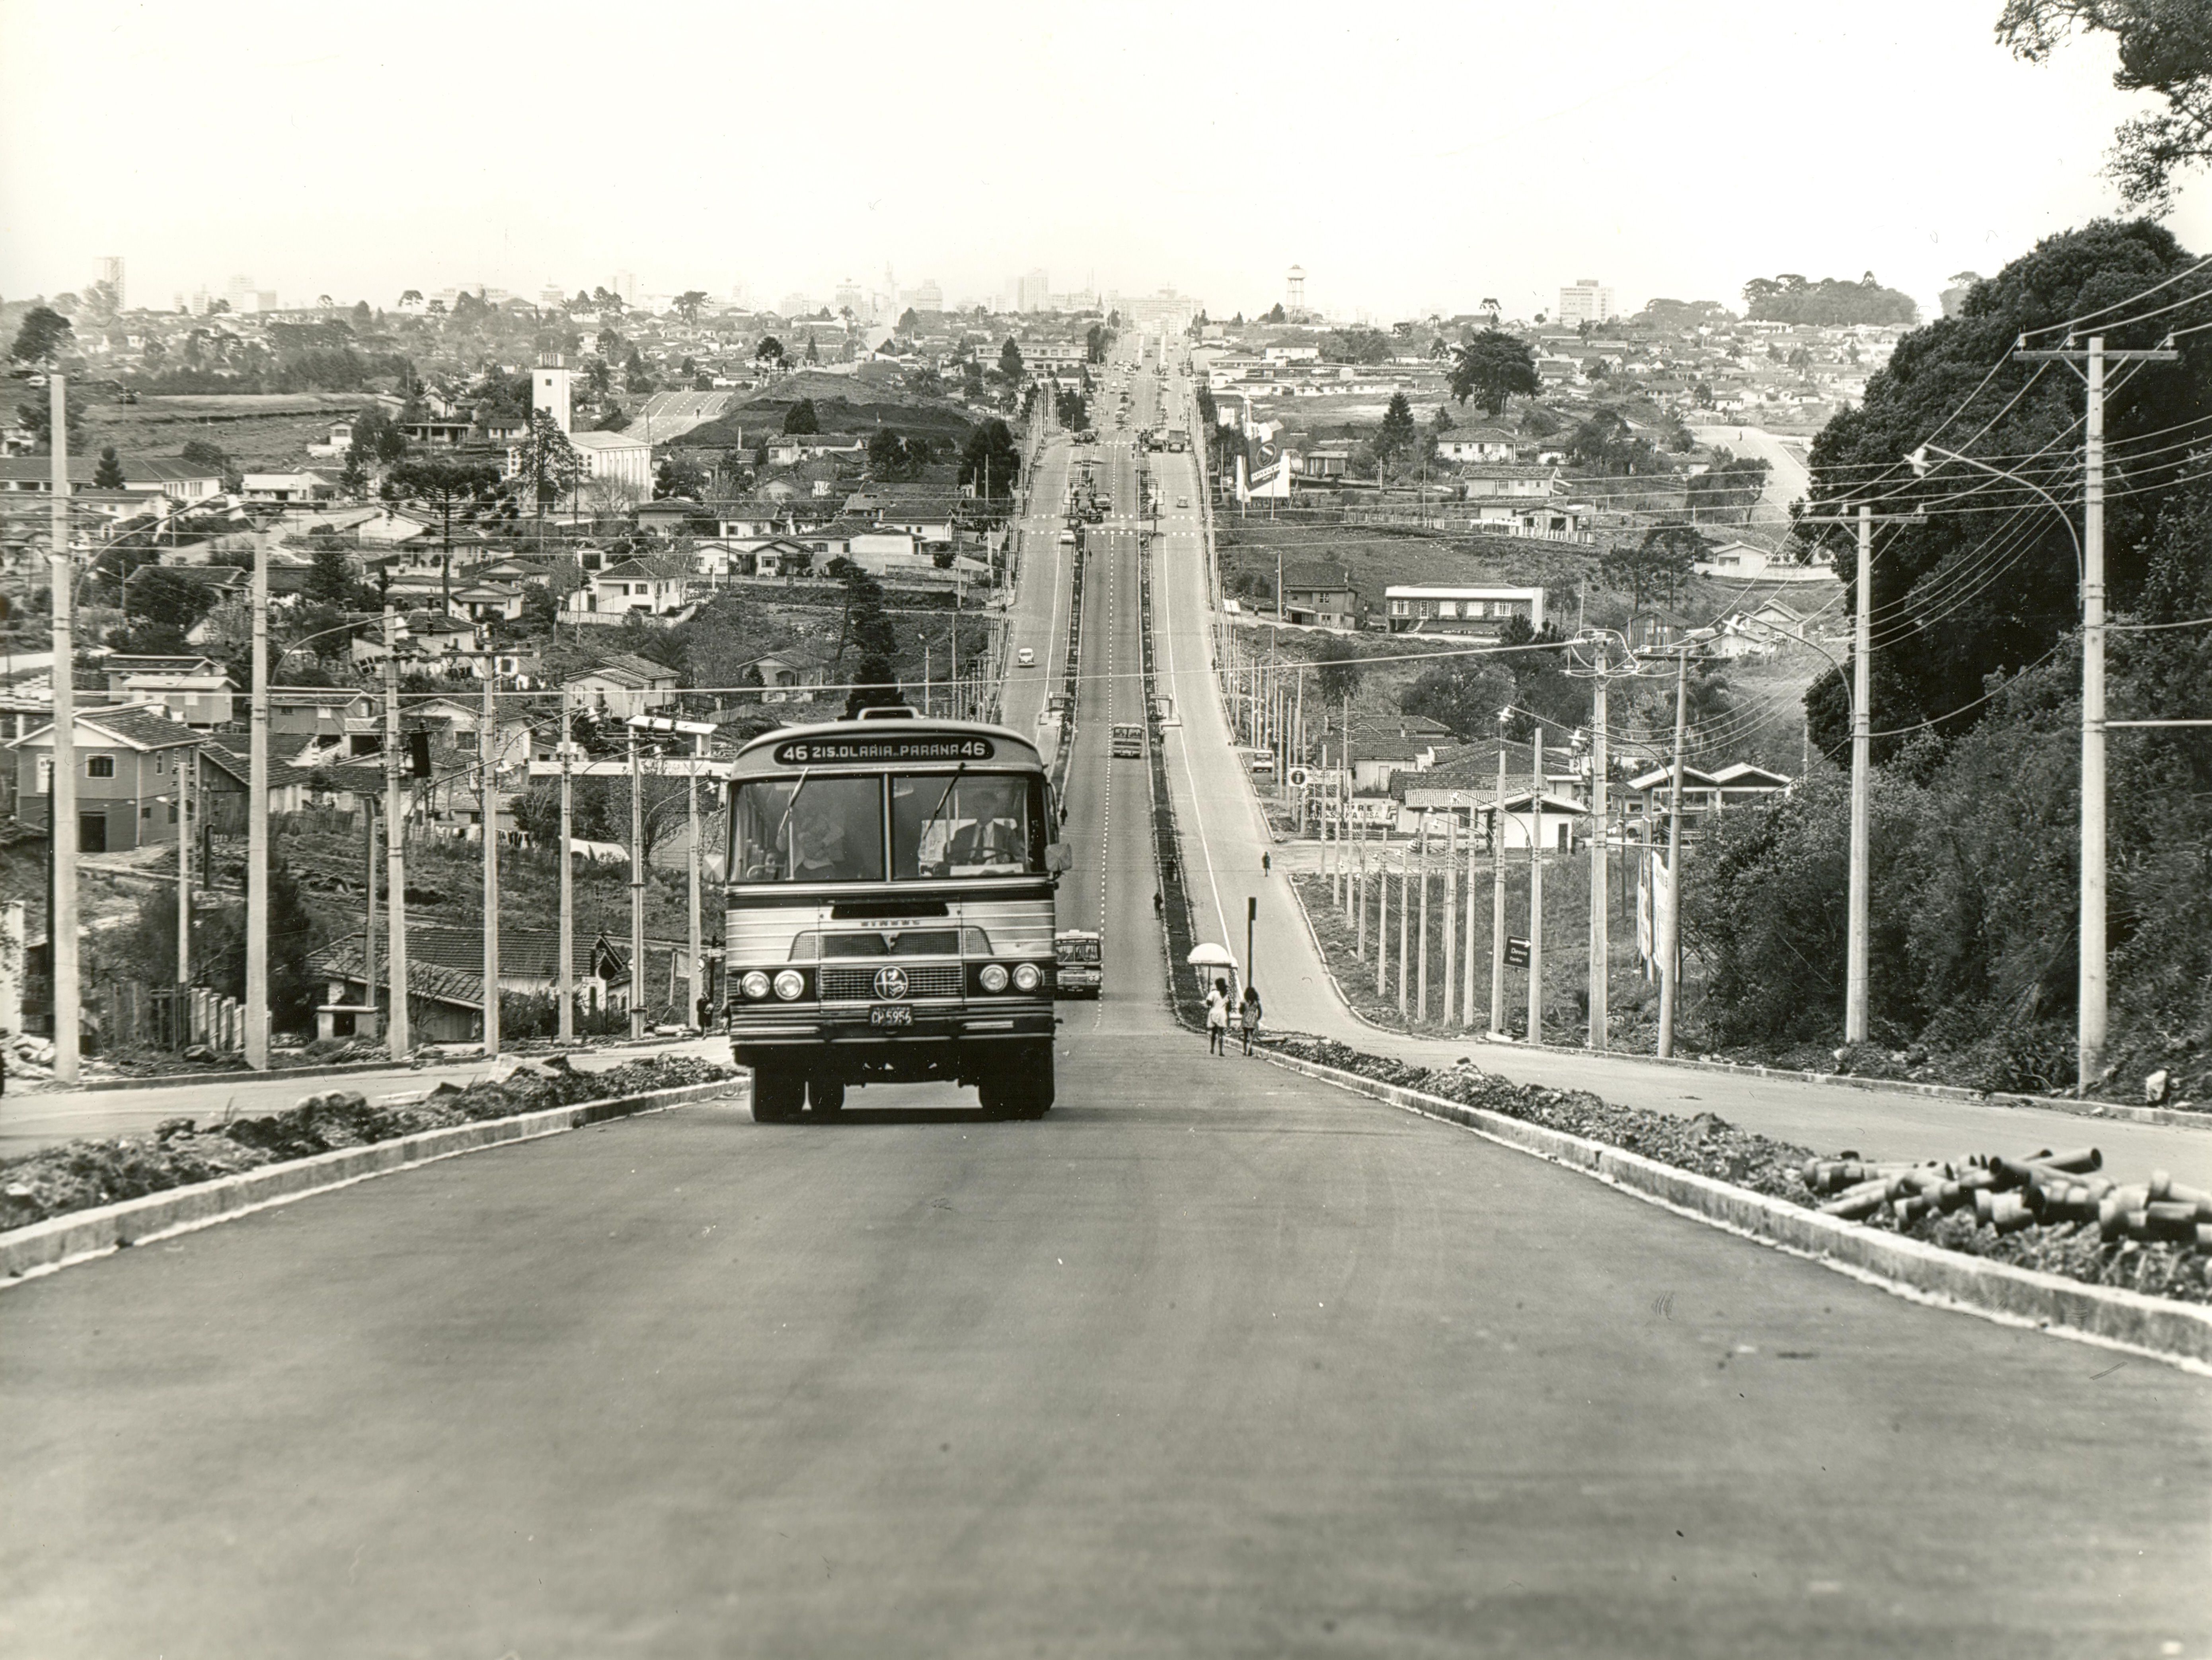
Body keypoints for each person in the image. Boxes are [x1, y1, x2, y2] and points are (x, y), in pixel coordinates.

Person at [1204, 978, 1230, 1055]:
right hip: (1222, 1014)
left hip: (1214, 1013)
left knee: (1213, 1032)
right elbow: (1229, 1007)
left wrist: (1211, 1005)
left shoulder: (1214, 993)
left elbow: (1209, 1002)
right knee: (1221, 1033)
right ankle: (1221, 1051)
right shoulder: (1227, 995)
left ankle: (1212, 1048)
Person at [1239, 984, 1262, 1055]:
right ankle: (1250, 1048)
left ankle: (1244, 1050)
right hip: (1253, 1019)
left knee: (1245, 1035)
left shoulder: (1245, 1002)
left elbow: (1241, 1011)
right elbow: (1260, 1012)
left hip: (1246, 1018)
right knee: (1251, 1035)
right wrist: (1257, 1019)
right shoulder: (1256, 1003)